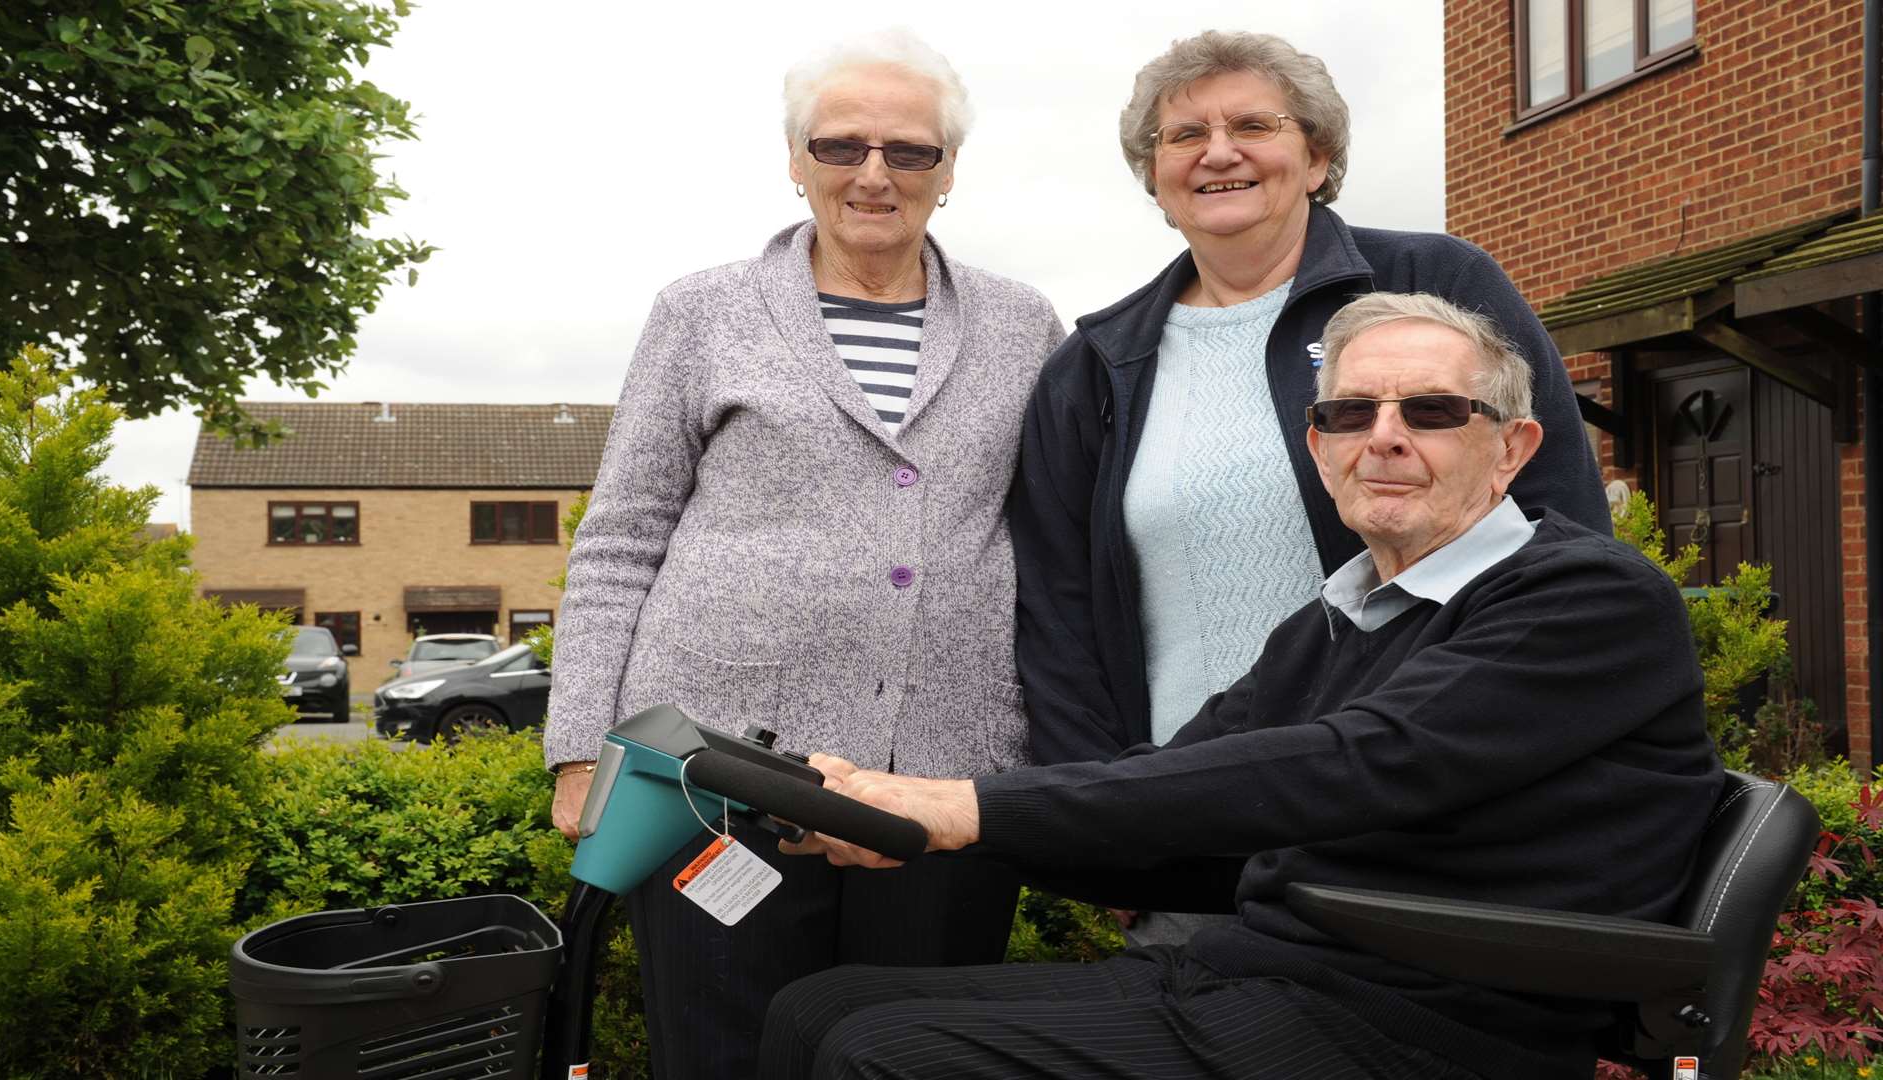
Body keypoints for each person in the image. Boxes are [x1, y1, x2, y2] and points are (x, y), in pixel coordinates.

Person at [763, 292, 1723, 1080]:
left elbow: (1359, 765)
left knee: (880, 1052)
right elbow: (1174, 804)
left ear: (1511, 448)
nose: (1384, 438)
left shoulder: (1585, 596)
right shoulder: (1337, 618)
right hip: (1262, 982)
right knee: (819, 1006)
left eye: (1430, 411)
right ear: (1320, 448)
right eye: (1352, 413)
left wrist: (962, 807)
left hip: (1430, 1027)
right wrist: (907, 825)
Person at [1009, 31, 1612, 947]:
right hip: (1201, 831)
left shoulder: (1431, 285)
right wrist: (1108, 814)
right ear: (1153, 171)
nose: (1219, 153)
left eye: (1255, 123)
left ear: (1319, 154)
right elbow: (1055, 613)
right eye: (1183, 135)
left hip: (1424, 817)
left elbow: (1554, 517)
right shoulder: (1095, 365)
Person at [541, 29, 1066, 1078]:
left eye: (909, 151)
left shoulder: (1023, 324)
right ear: (794, 159)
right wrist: (577, 751)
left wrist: (1038, 762)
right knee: (725, 1052)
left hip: (941, 778)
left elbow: (1055, 546)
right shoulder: (702, 312)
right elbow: (621, 537)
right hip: (714, 775)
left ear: (949, 172)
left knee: (916, 1052)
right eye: (841, 146)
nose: (874, 173)